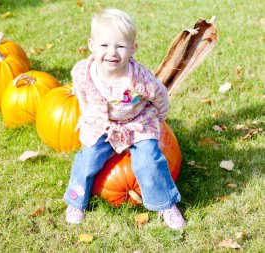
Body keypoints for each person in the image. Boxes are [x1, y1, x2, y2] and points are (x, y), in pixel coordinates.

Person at [63, 8, 185, 230]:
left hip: (137, 122)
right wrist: (85, 112)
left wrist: (159, 118)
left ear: (132, 49)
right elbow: (80, 92)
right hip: (101, 122)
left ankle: (165, 203)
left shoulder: (140, 79)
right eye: (104, 45)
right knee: (88, 158)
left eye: (120, 46)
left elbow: (160, 95)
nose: (112, 52)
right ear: (92, 45)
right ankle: (76, 201)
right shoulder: (84, 72)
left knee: (150, 159)